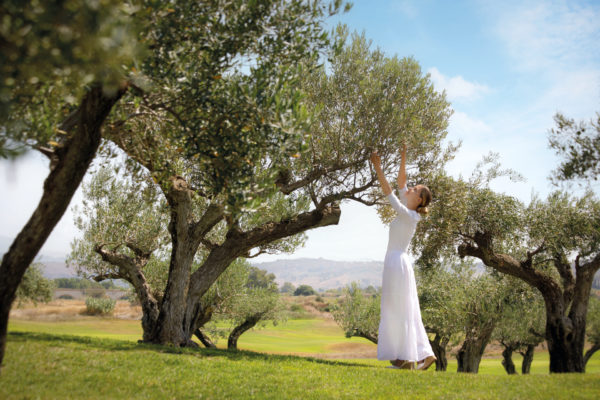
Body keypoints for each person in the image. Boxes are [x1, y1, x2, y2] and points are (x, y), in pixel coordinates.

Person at [369, 145, 437, 371]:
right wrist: (403, 155)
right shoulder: (410, 211)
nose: (409, 188)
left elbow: (389, 192)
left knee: (397, 309)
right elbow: (400, 183)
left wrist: (378, 167)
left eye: (415, 189)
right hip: (397, 262)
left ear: (419, 200)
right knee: (399, 308)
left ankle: (407, 359)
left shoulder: (409, 215)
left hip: (397, 263)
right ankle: (415, 357)